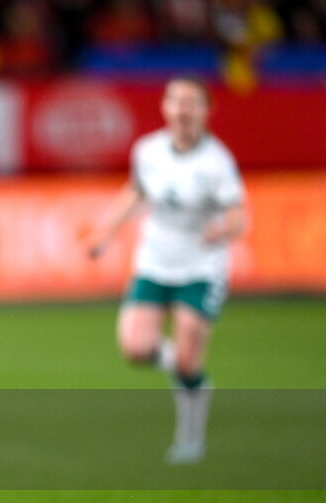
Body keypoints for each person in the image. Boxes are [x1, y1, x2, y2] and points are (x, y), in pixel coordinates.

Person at [88, 75, 248, 464]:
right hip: (155, 262)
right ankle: (184, 369)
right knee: (134, 346)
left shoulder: (216, 162)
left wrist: (222, 229)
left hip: (201, 267)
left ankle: (190, 437)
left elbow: (238, 216)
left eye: (192, 102)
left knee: (189, 363)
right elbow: (137, 191)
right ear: (165, 108)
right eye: (176, 101)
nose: (183, 109)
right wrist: (105, 230)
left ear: (206, 111)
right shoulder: (148, 151)